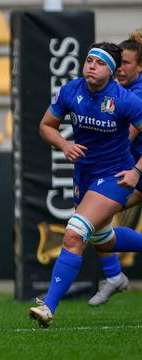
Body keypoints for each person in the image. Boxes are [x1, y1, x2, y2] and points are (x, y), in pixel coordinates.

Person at [31, 42, 142, 327]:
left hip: (115, 177)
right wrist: (64, 144)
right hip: (84, 176)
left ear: (113, 71)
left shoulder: (125, 100)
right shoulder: (70, 91)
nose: (92, 66)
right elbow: (46, 126)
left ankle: (48, 307)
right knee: (102, 239)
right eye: (89, 60)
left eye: (100, 63)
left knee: (75, 232)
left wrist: (137, 172)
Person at [89, 31, 142, 306]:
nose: (120, 68)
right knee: (92, 219)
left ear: (140, 67)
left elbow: (128, 133)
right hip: (135, 171)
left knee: (90, 217)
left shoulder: (137, 92)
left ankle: (113, 276)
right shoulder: (125, 89)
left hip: (137, 172)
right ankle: (113, 276)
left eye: (127, 64)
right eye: (118, 63)